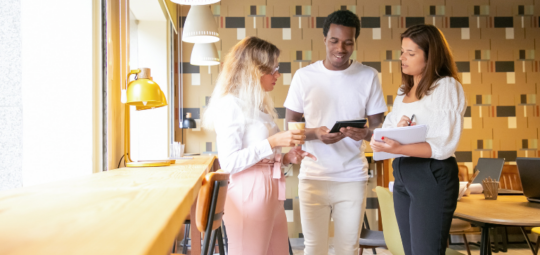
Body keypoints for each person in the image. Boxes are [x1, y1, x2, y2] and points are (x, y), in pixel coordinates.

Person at [284, 10, 387, 255]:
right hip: (312, 177)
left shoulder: (368, 76)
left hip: (352, 177)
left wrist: (365, 134)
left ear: (354, 42)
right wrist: (316, 134)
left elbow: (378, 130)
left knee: (347, 249)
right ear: (324, 39)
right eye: (334, 41)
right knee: (314, 249)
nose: (341, 48)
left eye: (348, 42)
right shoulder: (304, 77)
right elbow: (291, 128)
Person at [203, 36, 316, 255]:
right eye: (273, 69)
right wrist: (272, 142)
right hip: (248, 193)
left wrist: (285, 158)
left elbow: (260, 156)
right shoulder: (230, 105)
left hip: (271, 193)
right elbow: (228, 162)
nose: (278, 75)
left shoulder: (257, 105)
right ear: (254, 70)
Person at [370, 24, 467, 255]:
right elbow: (389, 129)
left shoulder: (446, 86)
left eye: (411, 53)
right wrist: (387, 139)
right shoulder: (404, 91)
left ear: (430, 55)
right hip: (404, 172)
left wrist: (400, 145)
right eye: (402, 51)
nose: (403, 58)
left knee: (426, 251)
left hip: (431, 173)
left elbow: (443, 145)